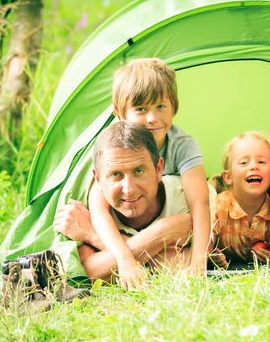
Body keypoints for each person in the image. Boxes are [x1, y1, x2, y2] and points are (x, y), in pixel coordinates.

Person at [87, 58, 212, 281]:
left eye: (160, 106)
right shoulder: (112, 145)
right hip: (126, 223)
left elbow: (199, 203)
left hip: (171, 222)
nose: (152, 118)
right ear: (120, 112)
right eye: (141, 109)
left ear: (174, 106)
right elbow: (99, 208)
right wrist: (125, 260)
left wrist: (198, 262)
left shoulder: (182, 144)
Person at [53, 121, 215, 288]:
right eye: (116, 175)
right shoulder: (81, 210)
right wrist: (161, 234)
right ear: (98, 179)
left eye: (139, 171)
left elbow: (188, 261)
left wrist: (94, 237)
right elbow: (87, 272)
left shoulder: (187, 199)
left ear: (159, 169)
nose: (129, 190)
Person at [209, 132, 270, 268]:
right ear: (228, 177)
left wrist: (269, 253)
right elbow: (204, 243)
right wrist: (212, 255)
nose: (253, 166)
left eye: (261, 162)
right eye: (244, 162)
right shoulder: (218, 207)